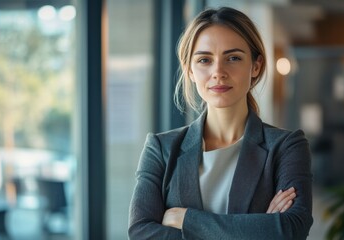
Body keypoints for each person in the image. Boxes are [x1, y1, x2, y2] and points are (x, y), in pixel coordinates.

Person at [128, 6, 313, 240]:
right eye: (205, 60)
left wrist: (185, 219)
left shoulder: (286, 146)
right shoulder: (161, 149)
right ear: (190, 71)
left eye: (233, 58)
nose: (218, 71)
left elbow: (292, 228)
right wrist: (259, 228)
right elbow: (140, 232)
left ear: (255, 66)